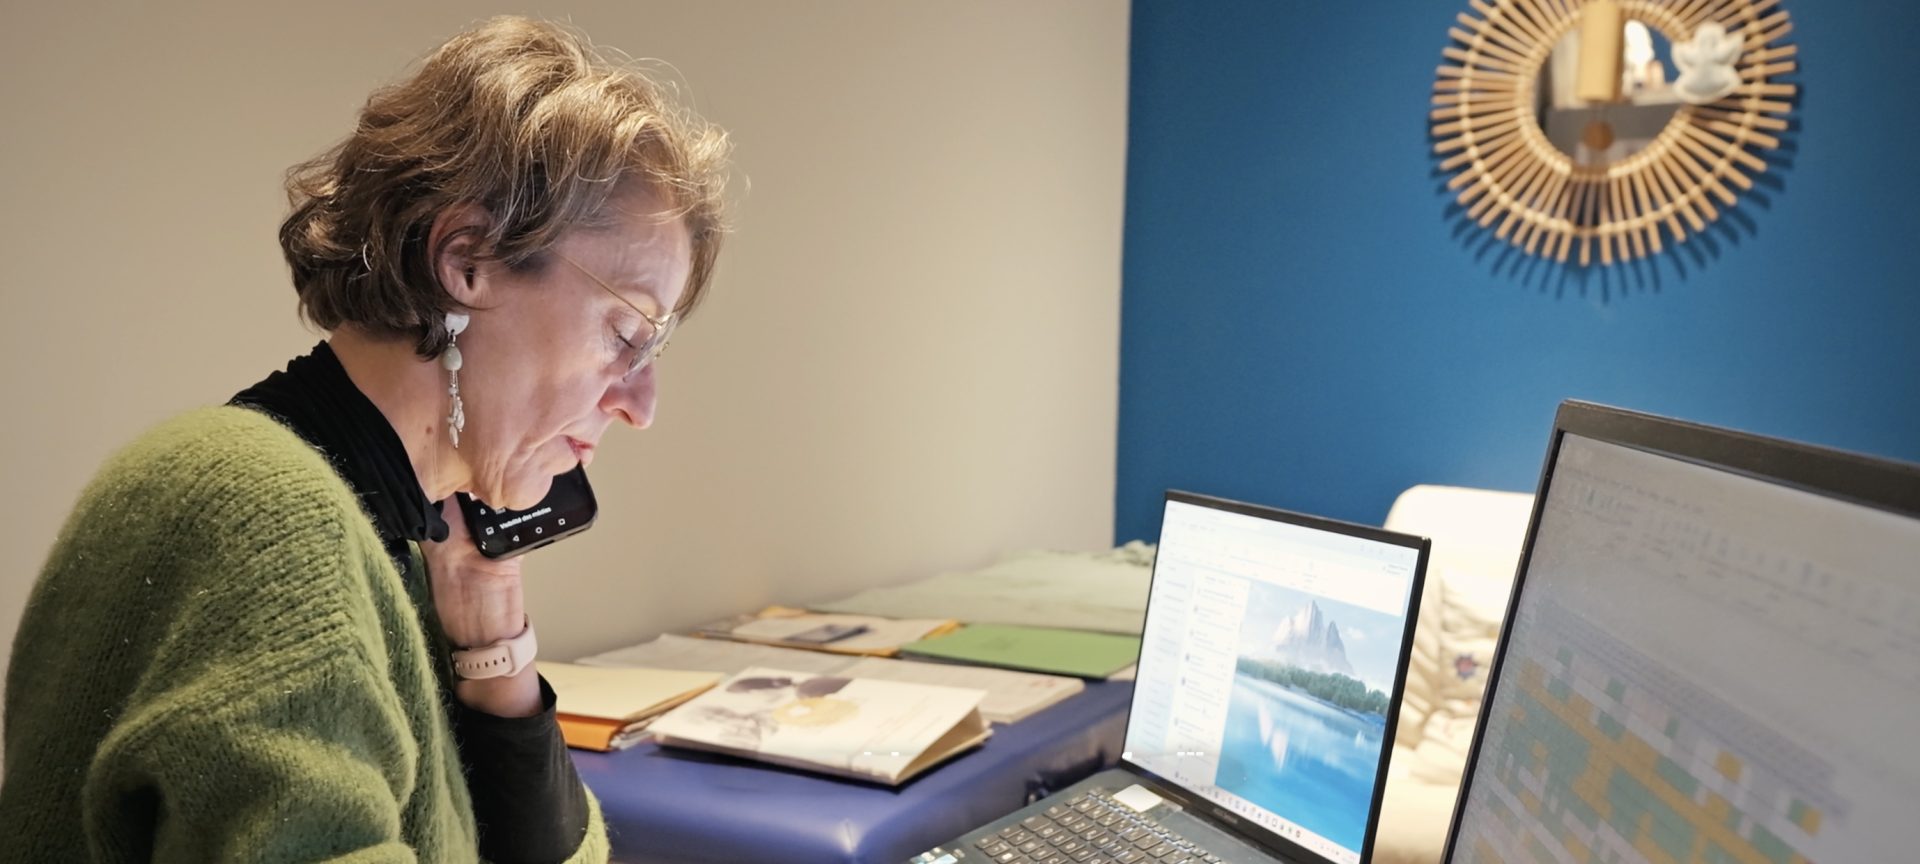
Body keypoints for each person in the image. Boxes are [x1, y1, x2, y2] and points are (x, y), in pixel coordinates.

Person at [0, 15, 728, 862]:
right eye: (628, 334)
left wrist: (495, 645)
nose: (643, 405)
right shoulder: (260, 516)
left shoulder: (397, 540)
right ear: (466, 262)